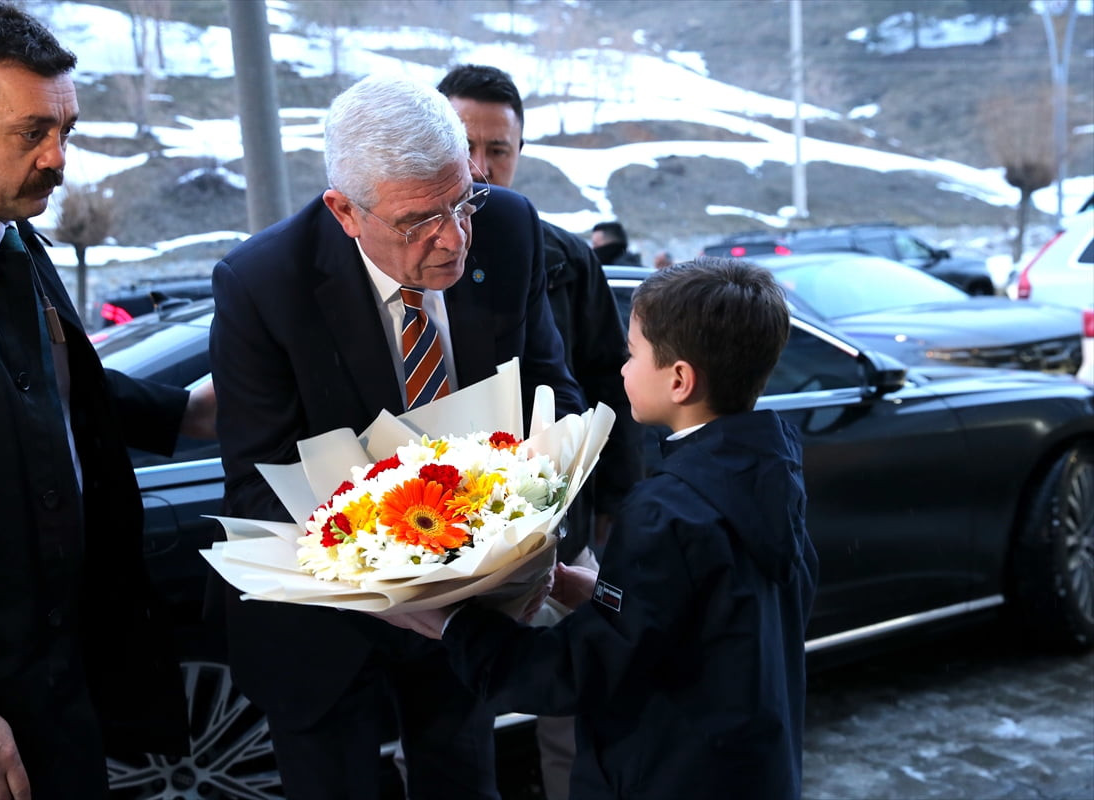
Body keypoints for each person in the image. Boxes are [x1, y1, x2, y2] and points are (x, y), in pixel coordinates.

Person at [208, 74, 583, 800]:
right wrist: (378, 577)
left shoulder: (508, 228)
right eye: (419, 221)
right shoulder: (261, 284)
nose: (455, 238)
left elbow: (553, 392)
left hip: (472, 616)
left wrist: (540, 510)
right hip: (324, 625)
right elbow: (258, 483)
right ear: (345, 211)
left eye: (462, 200)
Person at [0, 3, 218, 800]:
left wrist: (181, 412)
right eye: (31, 132)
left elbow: (40, 379)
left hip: (52, 677)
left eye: (67, 128)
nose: (59, 158)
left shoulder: (3, 223)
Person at [381, 258, 820, 800]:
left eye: (633, 354)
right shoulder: (769, 474)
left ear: (680, 380)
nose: (622, 369)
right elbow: (724, 616)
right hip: (748, 767)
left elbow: (578, 672)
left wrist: (451, 623)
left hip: (665, 774)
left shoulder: (666, 512)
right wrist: (606, 596)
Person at [437, 63, 644, 800]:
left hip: (557, 527)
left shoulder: (561, 254)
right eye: (464, 143)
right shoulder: (394, 248)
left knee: (574, 715)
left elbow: (607, 383)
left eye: (500, 150)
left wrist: (610, 510)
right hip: (437, 531)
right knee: (450, 722)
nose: (480, 167)